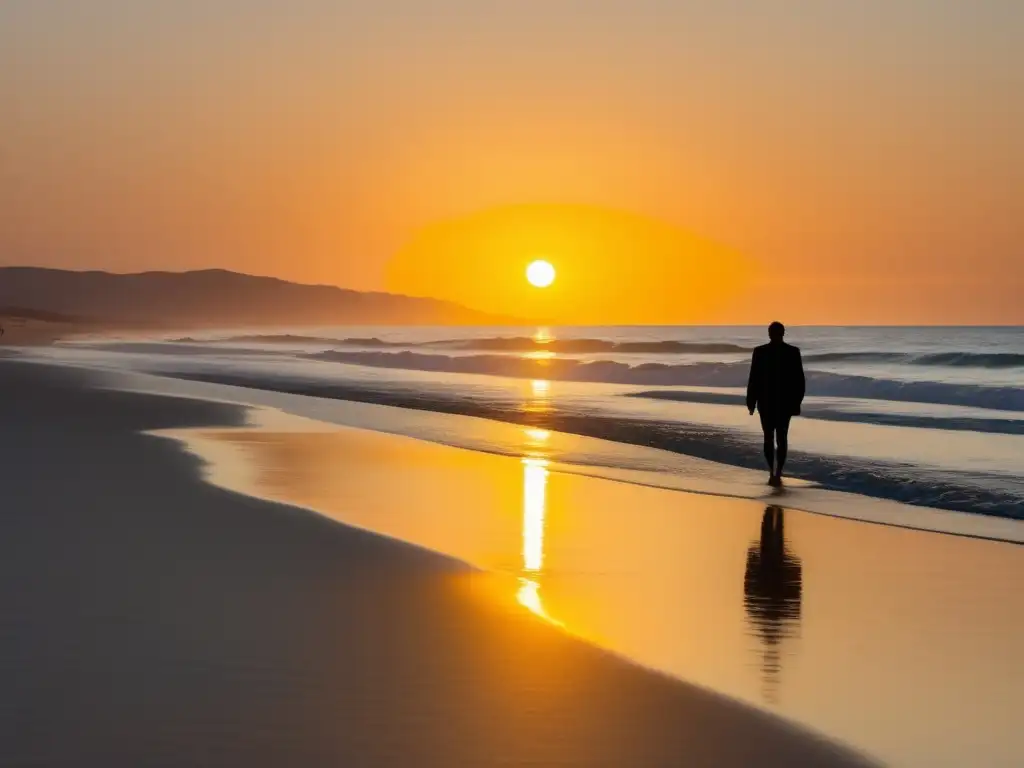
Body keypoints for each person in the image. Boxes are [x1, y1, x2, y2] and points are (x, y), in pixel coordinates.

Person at [746, 322, 805, 486]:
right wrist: (797, 402)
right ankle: (777, 472)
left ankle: (772, 471)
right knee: (781, 438)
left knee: (769, 437)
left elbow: (753, 379)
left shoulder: (760, 352)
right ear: (783, 333)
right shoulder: (792, 352)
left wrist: (751, 401)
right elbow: (799, 381)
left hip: (766, 402)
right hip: (783, 403)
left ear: (769, 333)